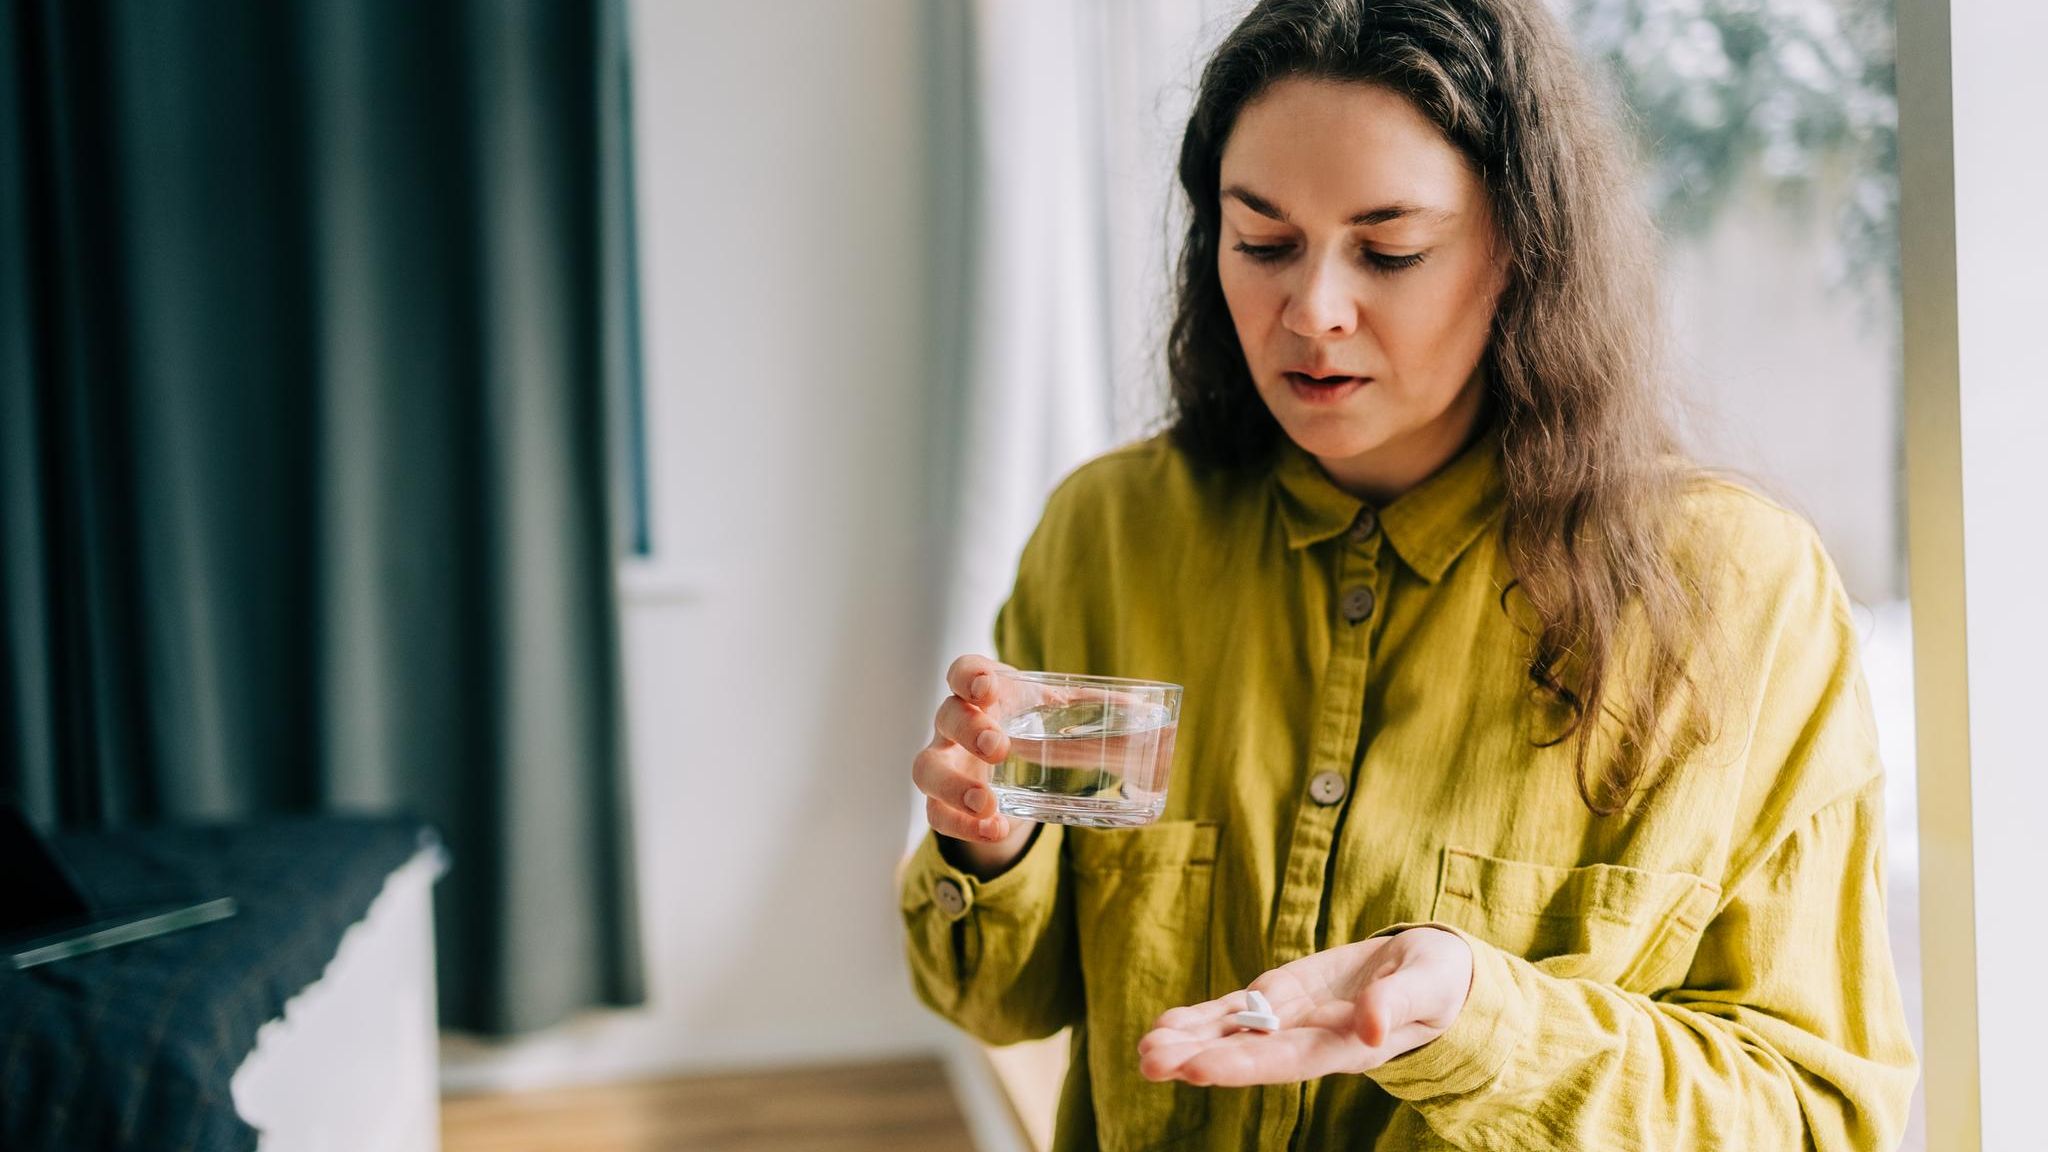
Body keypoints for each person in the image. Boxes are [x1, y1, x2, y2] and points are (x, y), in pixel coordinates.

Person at [898, 0, 1918, 1147]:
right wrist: (994, 841)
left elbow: (1818, 1118)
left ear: (1521, 252)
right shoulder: (1111, 534)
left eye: (1389, 251)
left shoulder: (1735, 594)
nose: (1312, 313)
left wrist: (1479, 1023)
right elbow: (992, 1000)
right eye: (1261, 242)